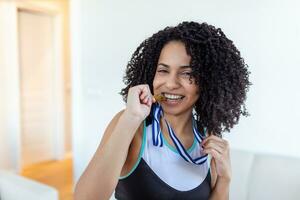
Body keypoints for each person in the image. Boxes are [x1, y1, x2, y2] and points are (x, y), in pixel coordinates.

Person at [74, 21, 251, 200]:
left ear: (208, 81)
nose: (171, 84)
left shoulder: (208, 137)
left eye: (187, 73)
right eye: (163, 70)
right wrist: (131, 118)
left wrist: (225, 179)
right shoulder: (133, 124)